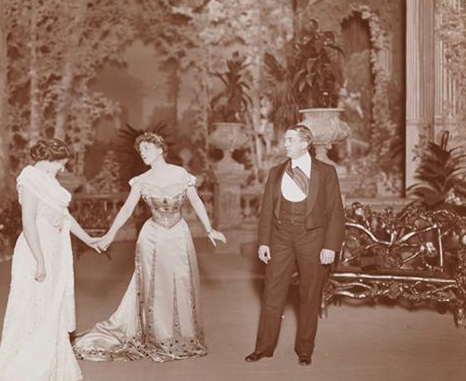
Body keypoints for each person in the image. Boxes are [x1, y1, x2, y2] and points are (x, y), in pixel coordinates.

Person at [73, 132, 226, 362]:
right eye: (140, 150)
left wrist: (209, 229)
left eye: (146, 148)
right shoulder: (141, 180)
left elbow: (196, 201)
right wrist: (109, 235)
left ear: (160, 149)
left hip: (178, 235)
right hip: (152, 237)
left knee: (181, 280)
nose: (142, 153)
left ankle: (182, 336)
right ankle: (157, 337)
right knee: (155, 284)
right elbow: (126, 209)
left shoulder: (180, 174)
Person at [0, 138, 100, 381]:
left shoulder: (49, 180)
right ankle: (28, 363)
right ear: (49, 160)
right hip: (35, 248)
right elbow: (28, 222)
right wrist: (40, 260)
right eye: (61, 163)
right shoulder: (29, 179)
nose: (63, 168)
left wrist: (89, 239)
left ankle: (51, 365)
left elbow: (64, 216)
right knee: (33, 303)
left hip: (54, 246)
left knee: (50, 303)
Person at [245, 124, 344, 366]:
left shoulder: (326, 172)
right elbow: (267, 210)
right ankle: (263, 348)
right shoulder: (277, 172)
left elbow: (335, 212)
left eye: (290, 140)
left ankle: (304, 350)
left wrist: (330, 246)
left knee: (309, 294)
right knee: (272, 291)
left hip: (312, 237)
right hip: (281, 237)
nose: (285, 144)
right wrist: (264, 242)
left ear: (305, 143)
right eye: (285, 140)